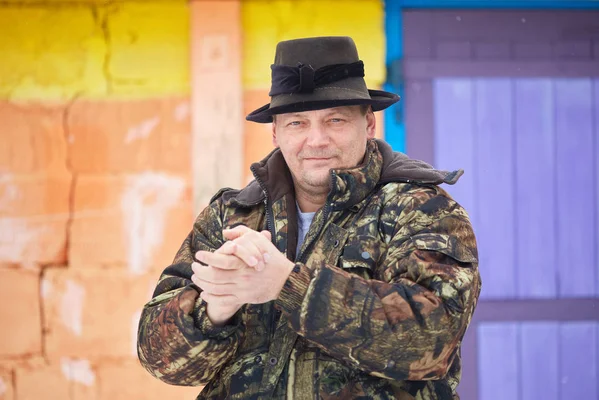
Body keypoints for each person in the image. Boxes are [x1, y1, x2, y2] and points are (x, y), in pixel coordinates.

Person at [137, 36, 481, 400]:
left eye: (335, 120)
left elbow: (430, 342)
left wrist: (288, 286)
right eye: (297, 123)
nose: (316, 140)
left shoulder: (422, 209)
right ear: (275, 133)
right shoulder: (232, 215)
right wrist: (217, 307)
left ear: (368, 125)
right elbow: (157, 358)